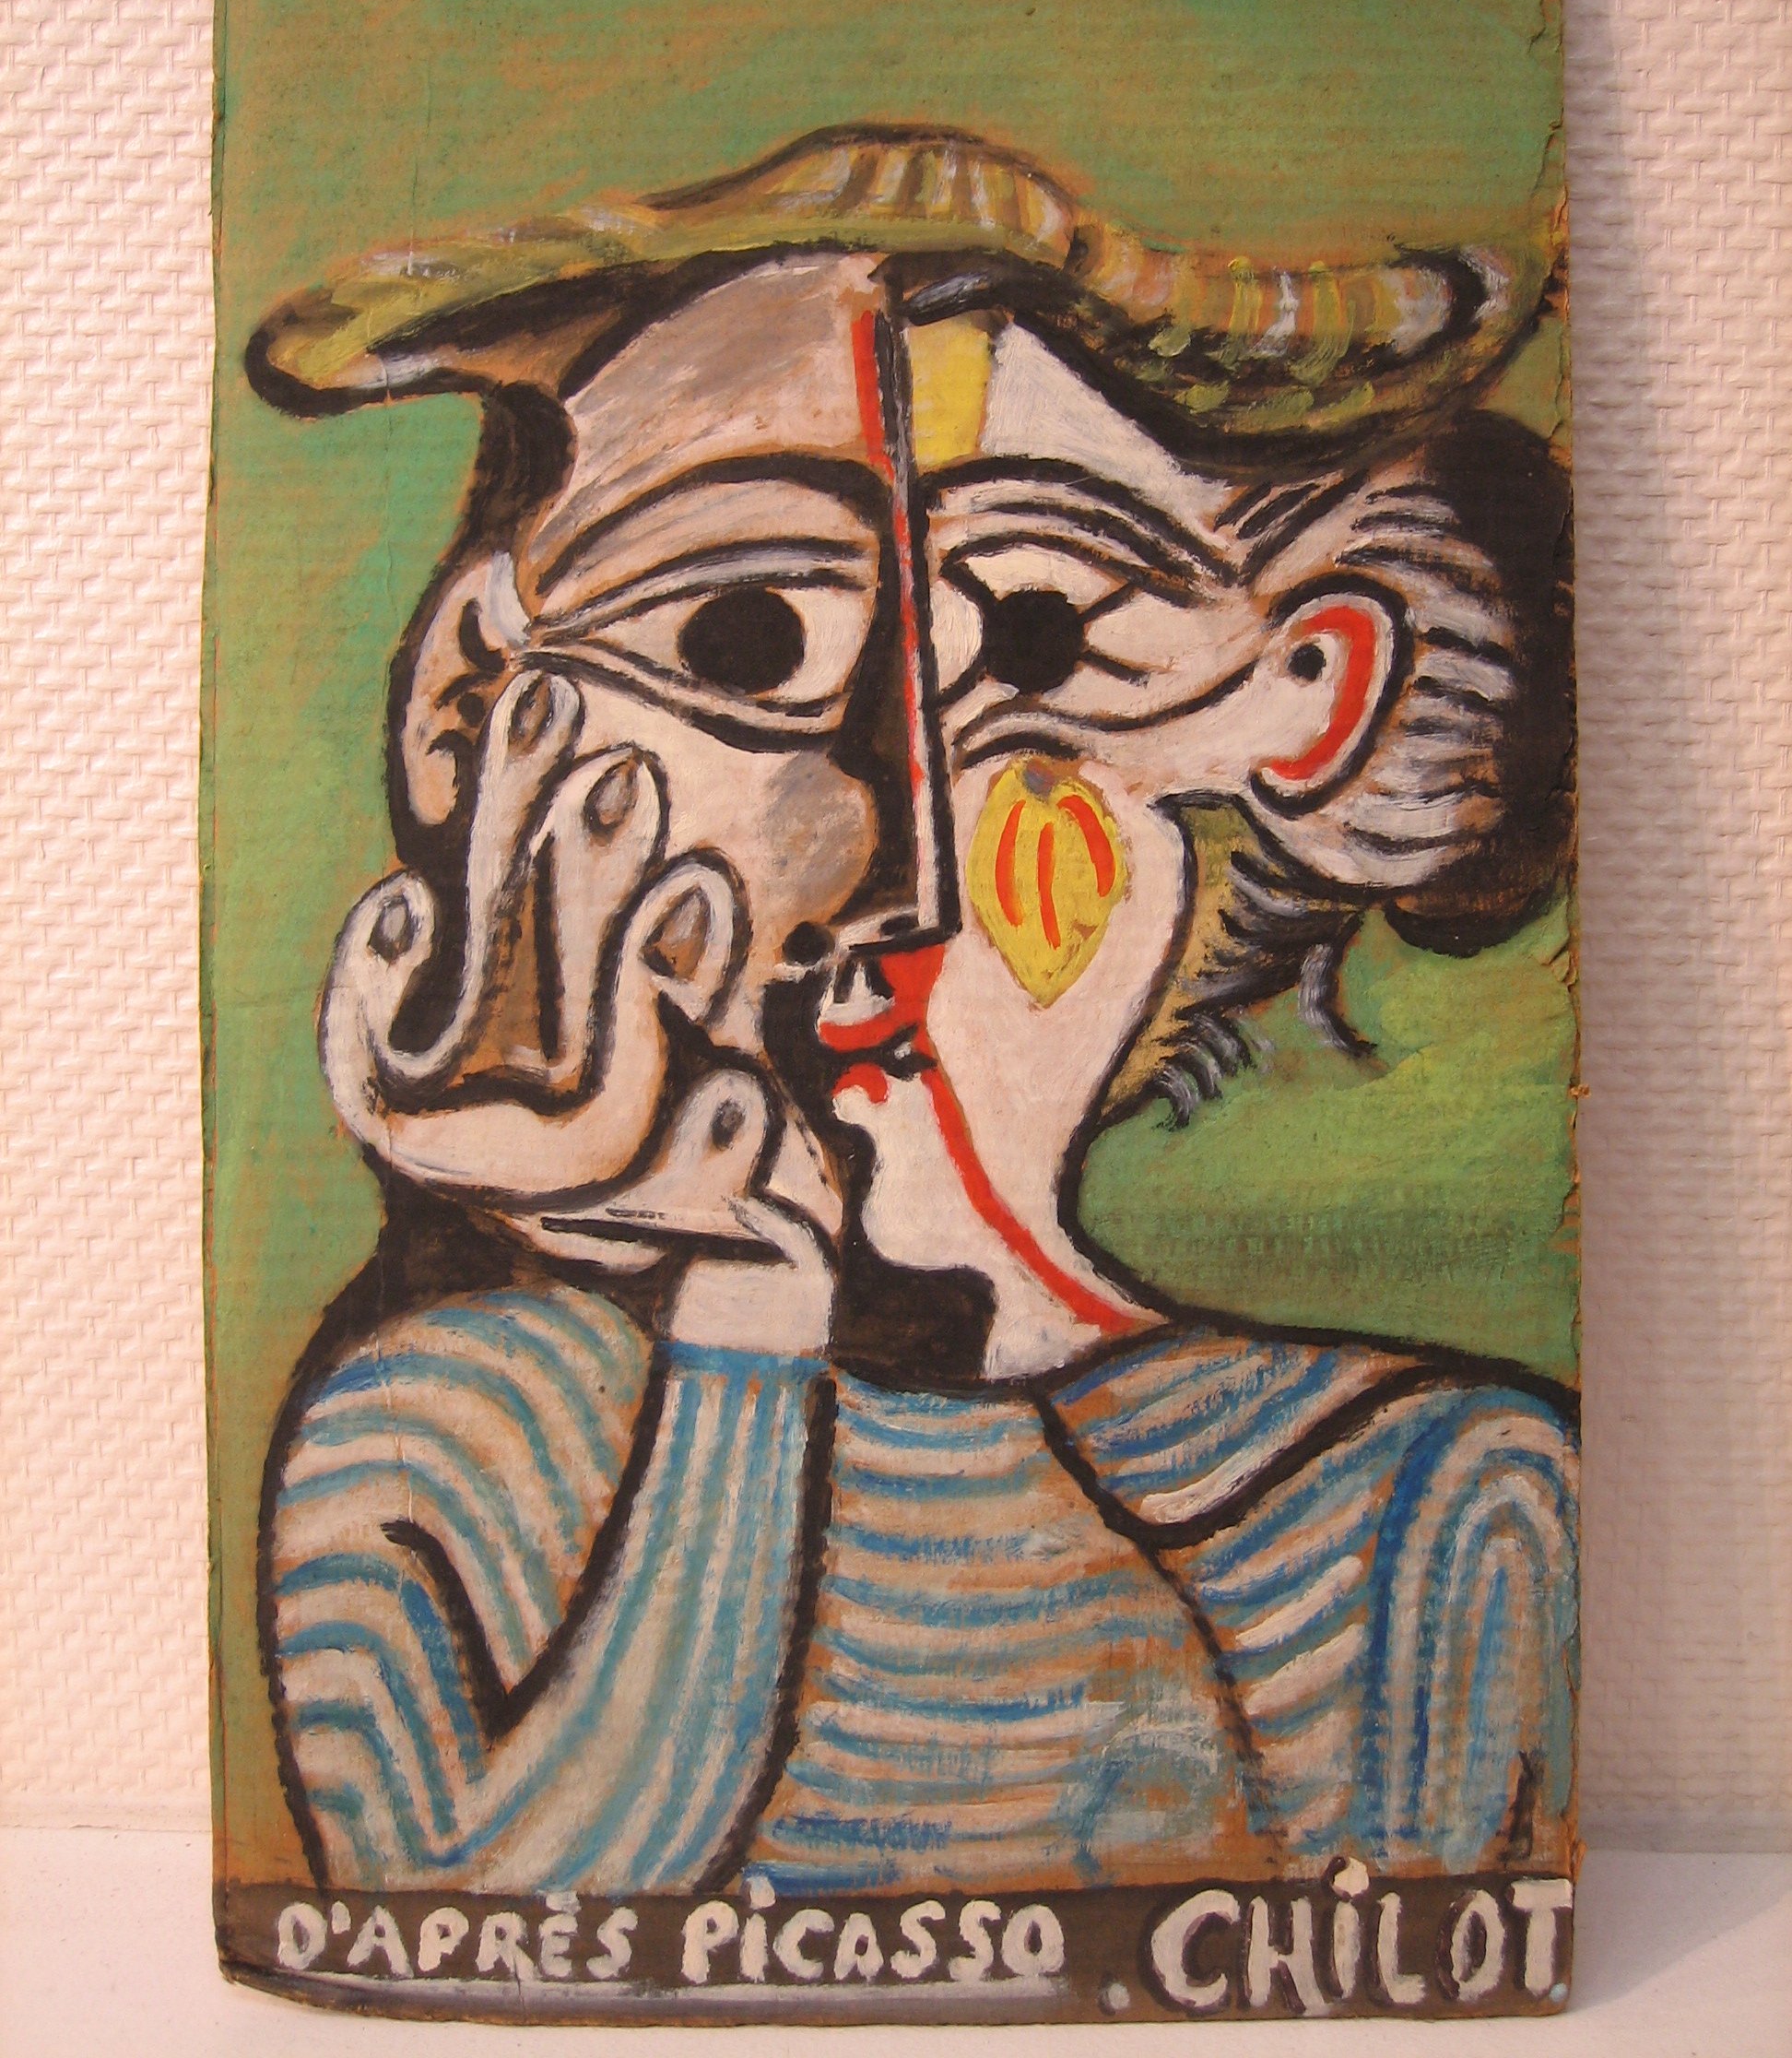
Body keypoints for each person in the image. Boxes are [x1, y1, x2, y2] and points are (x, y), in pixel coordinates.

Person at [253, 126, 1578, 1897]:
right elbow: (488, 1905)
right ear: (488, 711)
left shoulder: (1446, 1507)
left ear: (1312, 698)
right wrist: (746, 1334)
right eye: (743, 648)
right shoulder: (453, 1435)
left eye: (1031, 644)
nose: (890, 867)